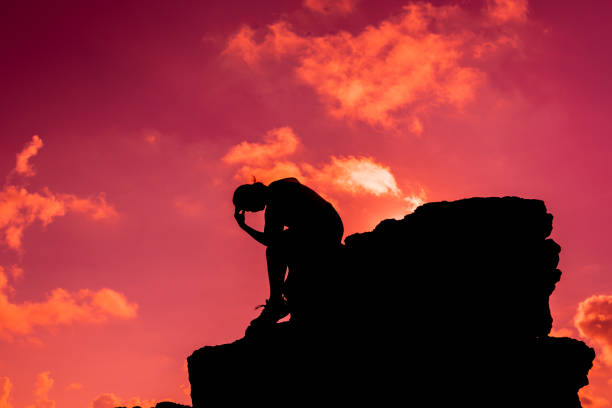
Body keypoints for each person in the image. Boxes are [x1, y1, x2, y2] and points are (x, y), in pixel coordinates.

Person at [233, 177, 344, 327]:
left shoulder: (274, 203)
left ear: (252, 198)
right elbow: (294, 180)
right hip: (327, 226)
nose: (250, 211)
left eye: (247, 207)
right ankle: (279, 301)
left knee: (274, 252)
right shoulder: (279, 188)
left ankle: (276, 302)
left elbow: (271, 241)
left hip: (322, 229)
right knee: (288, 268)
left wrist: (244, 226)